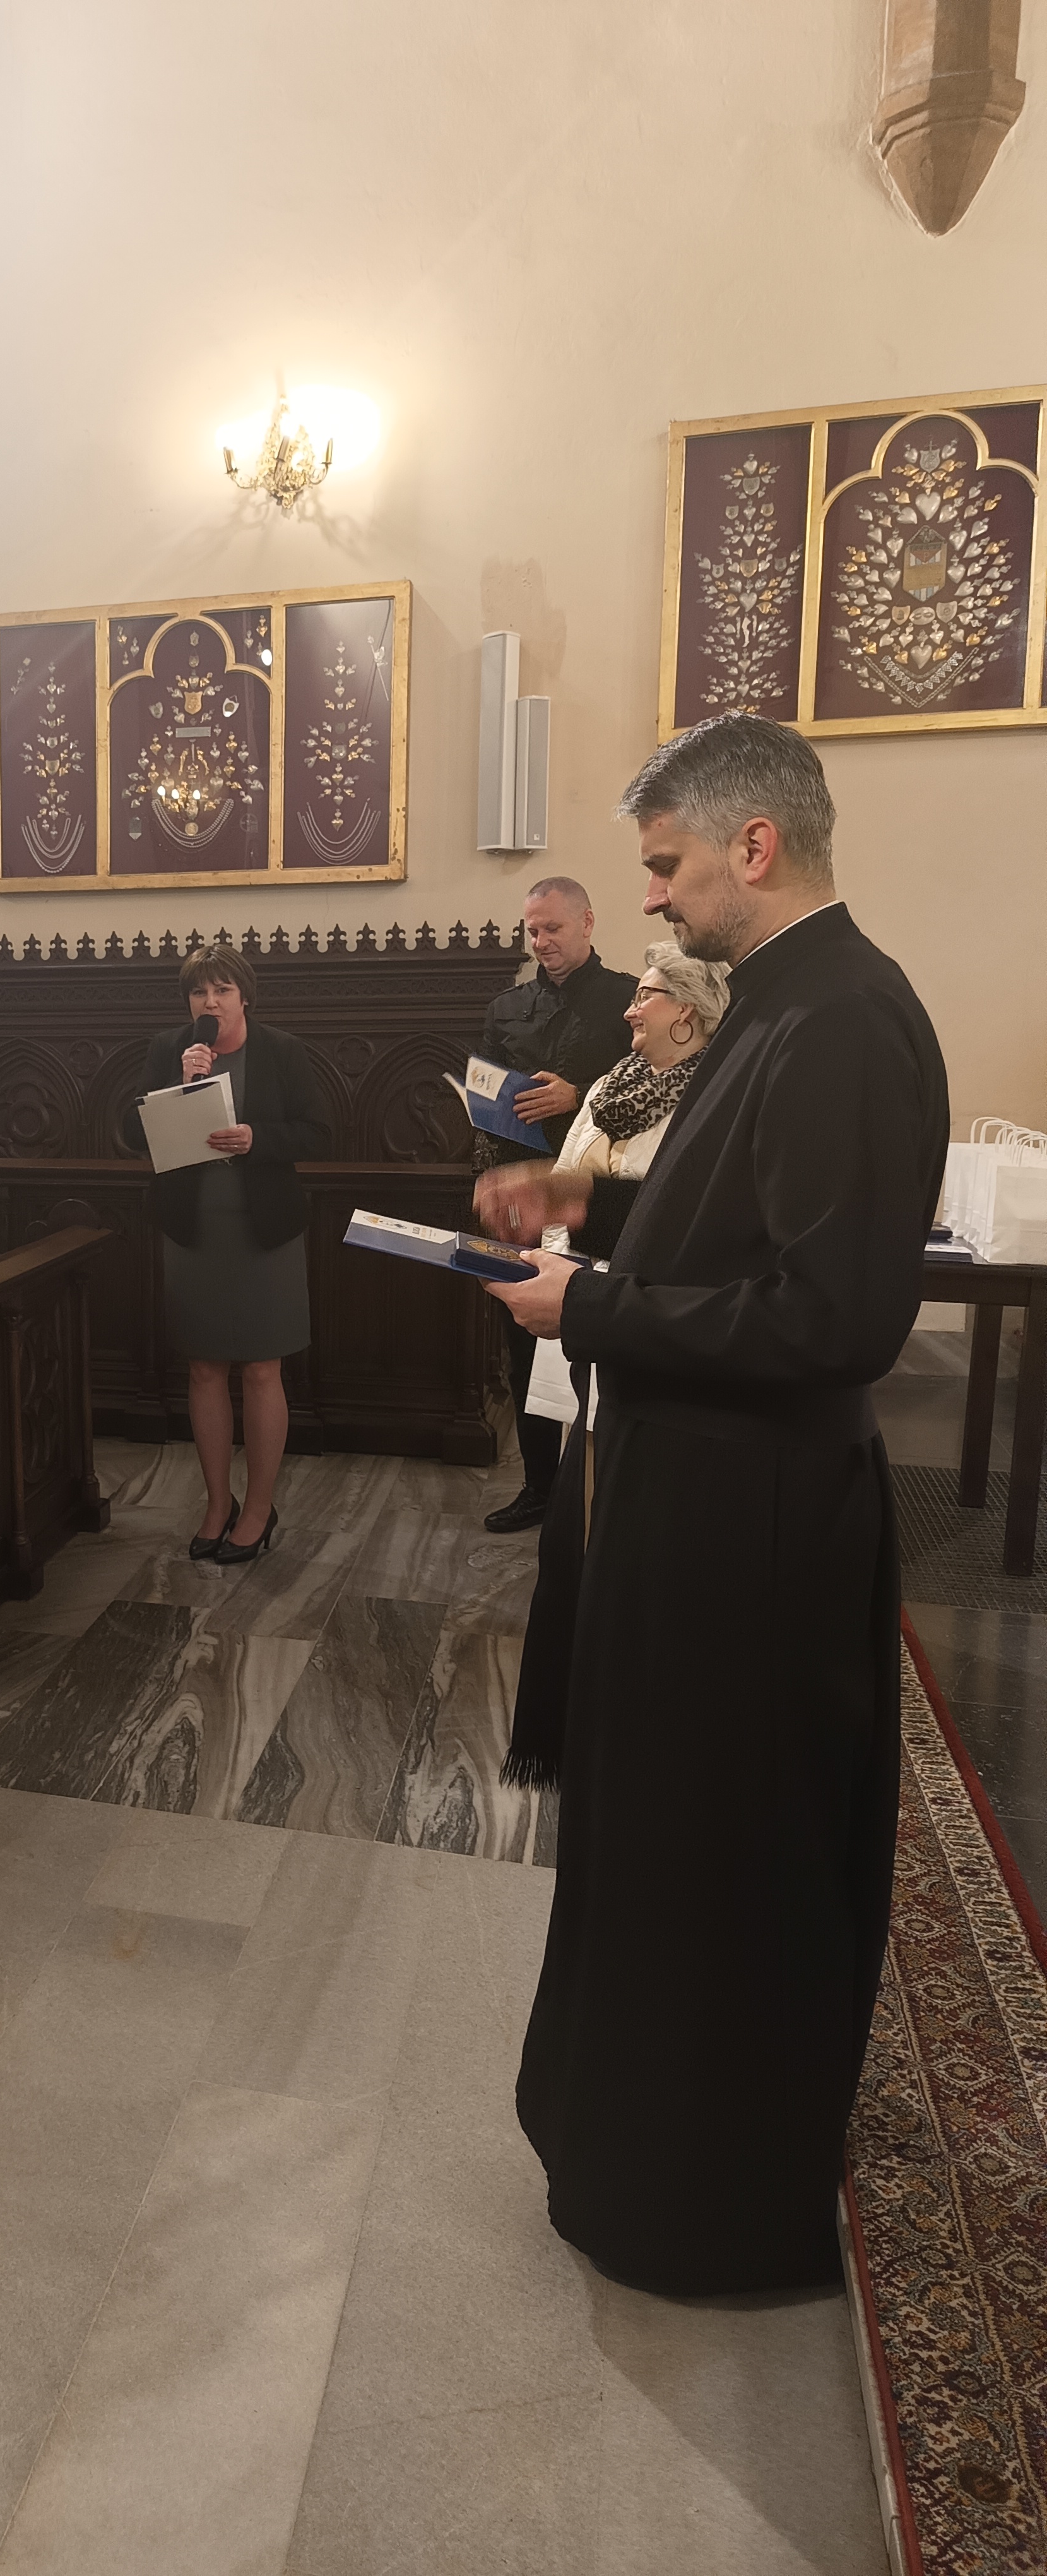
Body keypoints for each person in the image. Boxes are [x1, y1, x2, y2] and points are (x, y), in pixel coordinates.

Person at [474, 713, 949, 2296]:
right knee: (668, 1850)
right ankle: (636, 2152)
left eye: (668, 863)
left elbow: (833, 1318)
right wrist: (577, 1210)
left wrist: (590, 1308)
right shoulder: (776, 1003)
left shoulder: (842, 1019)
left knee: (728, 1866)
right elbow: (723, 1216)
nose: (653, 898)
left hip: (752, 1529)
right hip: (697, 1503)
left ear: (756, 843)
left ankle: (707, 2199)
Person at [126, 941, 328, 1565]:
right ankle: (218, 1504)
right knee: (205, 1369)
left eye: (222, 990)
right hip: (195, 1230)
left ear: (245, 996)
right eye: (199, 992)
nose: (210, 1002)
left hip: (264, 1231)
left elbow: (318, 1132)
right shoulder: (169, 1050)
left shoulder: (282, 1051)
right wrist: (180, 1084)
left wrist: (256, 1138)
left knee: (263, 1369)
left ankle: (260, 1509)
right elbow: (132, 1134)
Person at [475, 877, 636, 1533]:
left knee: (592, 1339)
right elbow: (484, 1086)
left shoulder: (628, 999)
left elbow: (650, 1080)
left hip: (598, 1199)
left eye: (553, 928)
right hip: (522, 1195)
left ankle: (600, 1485)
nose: (541, 941)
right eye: (533, 930)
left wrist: (578, 1094)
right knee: (522, 1348)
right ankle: (539, 1485)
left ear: (587, 923)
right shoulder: (506, 1007)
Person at [518, 943, 732, 1433]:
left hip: (649, 1313)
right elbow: (565, 1184)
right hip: (578, 1293)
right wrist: (556, 1271)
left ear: (686, 1007)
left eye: (643, 996)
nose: (629, 1011)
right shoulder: (605, 1088)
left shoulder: (715, 1098)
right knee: (580, 1445)